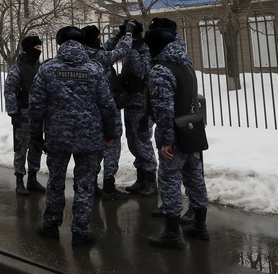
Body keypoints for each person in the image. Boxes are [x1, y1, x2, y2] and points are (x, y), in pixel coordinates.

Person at [30, 26, 119, 247]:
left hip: (57, 136)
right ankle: (80, 231)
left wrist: (35, 134)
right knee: (85, 184)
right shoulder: (95, 69)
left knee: (56, 181)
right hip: (90, 137)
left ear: (60, 43)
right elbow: (108, 105)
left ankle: (51, 225)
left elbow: (36, 105)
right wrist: (110, 133)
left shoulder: (47, 69)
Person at [145, 17, 210, 250]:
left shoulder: (161, 70)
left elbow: (164, 111)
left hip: (174, 134)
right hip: (192, 130)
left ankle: (172, 234)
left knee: (170, 181)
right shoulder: (187, 64)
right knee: (195, 178)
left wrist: (165, 142)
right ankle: (200, 227)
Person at [80, 22, 134, 201]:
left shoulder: (83, 55)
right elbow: (123, 51)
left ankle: (93, 185)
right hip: (108, 108)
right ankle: (109, 185)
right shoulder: (101, 57)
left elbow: (105, 48)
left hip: (89, 109)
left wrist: (117, 35)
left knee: (94, 148)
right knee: (113, 144)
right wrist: (127, 34)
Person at [117, 20, 158, 198]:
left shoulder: (144, 51)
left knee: (143, 142)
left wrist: (132, 50)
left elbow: (141, 71)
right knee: (133, 142)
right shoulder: (132, 50)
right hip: (130, 102)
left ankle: (151, 180)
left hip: (142, 104)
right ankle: (141, 177)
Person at [4, 35, 45, 196]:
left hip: (38, 114)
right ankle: (20, 179)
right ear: (28, 49)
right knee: (21, 149)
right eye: (37, 48)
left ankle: (33, 179)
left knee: (36, 147)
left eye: (40, 48)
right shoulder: (17, 68)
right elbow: (9, 92)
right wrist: (13, 113)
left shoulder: (41, 67)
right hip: (23, 114)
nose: (39, 51)